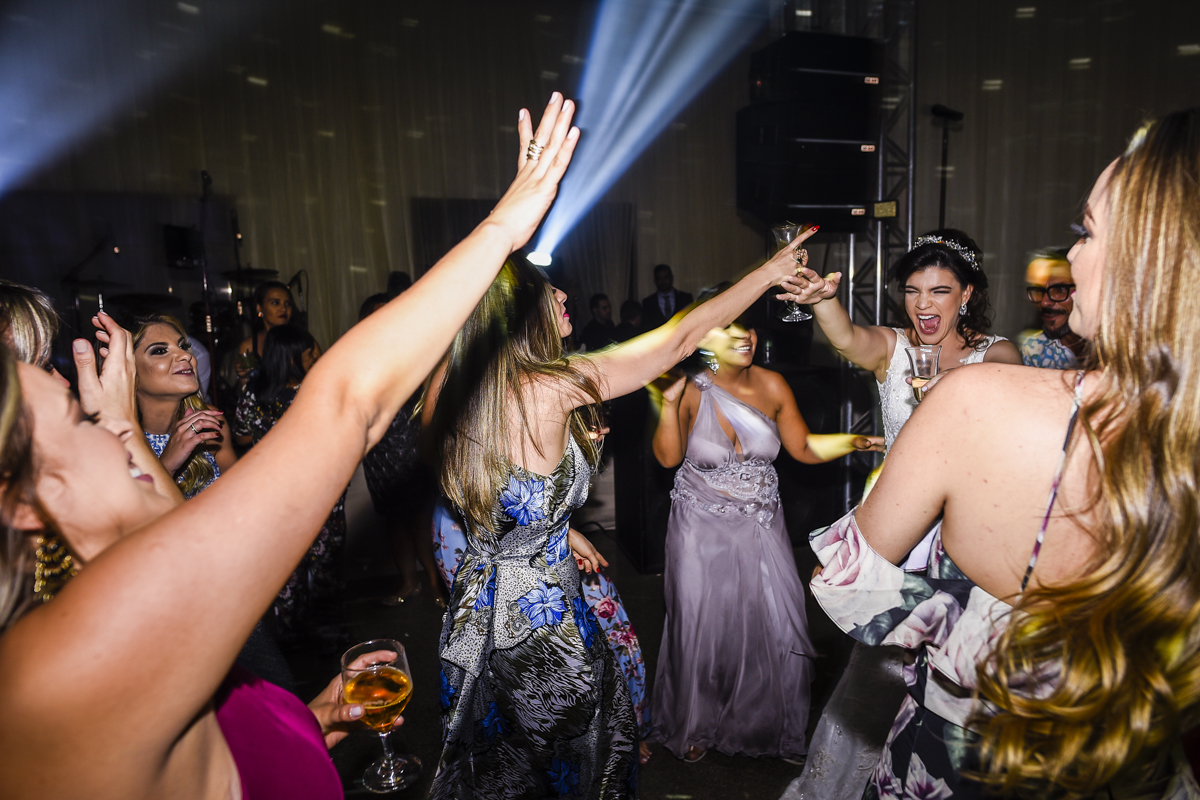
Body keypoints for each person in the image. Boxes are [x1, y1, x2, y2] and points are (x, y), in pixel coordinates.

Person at [0, 92, 581, 800]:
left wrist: (311, 720)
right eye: (77, 414)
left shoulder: (93, 610)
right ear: (23, 499)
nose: (109, 420)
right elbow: (347, 404)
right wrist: (501, 228)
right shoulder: (60, 660)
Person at [796, 109, 1200, 797]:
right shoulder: (908, 350)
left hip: (975, 748)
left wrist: (968, 643)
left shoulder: (988, 386)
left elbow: (842, 574)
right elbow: (850, 339)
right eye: (914, 290)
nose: (1069, 258)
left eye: (1087, 231)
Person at [424, 222, 813, 794]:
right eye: (544, 290)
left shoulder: (448, 383)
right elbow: (680, 340)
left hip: (475, 608)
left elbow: (487, 490)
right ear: (510, 314)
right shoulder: (551, 388)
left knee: (500, 763)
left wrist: (547, 529)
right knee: (577, 761)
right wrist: (770, 272)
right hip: (539, 625)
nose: (561, 295)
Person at [775, 229, 1021, 800]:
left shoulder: (999, 355)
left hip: (966, 537)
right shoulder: (893, 347)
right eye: (912, 291)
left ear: (967, 295)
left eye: (939, 290)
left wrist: (951, 390)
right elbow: (847, 338)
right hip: (900, 529)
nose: (923, 304)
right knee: (879, 666)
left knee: (946, 673)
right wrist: (822, 302)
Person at [649, 305, 881, 764]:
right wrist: (669, 402)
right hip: (699, 526)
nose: (745, 336)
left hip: (760, 525)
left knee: (772, 621)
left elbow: (803, 447)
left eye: (749, 326)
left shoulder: (773, 385)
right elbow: (667, 459)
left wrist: (851, 442)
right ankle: (695, 722)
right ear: (704, 337)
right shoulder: (692, 388)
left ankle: (770, 724)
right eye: (729, 327)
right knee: (701, 622)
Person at [234, 324, 345, 633]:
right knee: (324, 571)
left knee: (285, 575)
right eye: (311, 353)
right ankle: (327, 638)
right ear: (292, 358)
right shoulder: (319, 391)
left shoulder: (252, 392)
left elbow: (241, 439)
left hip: (275, 500)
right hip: (322, 498)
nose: (319, 356)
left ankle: (291, 639)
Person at [357, 292, 448, 607]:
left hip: (413, 443)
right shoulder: (359, 357)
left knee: (422, 518)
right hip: (380, 450)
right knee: (394, 520)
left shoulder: (418, 350)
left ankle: (438, 585)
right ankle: (409, 583)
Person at [134, 313, 238, 499]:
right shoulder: (119, 443)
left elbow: (240, 496)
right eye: (159, 351)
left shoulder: (209, 422)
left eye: (184, 346)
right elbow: (131, 525)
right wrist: (167, 465)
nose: (185, 355)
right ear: (129, 372)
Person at [1019, 248, 1088, 369]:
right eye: (1040, 291)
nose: (1044, 302)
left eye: (1060, 290)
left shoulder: (1117, 347)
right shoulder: (1034, 351)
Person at [641, 263, 693, 330]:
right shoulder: (648, 303)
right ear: (655, 280)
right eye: (659, 278)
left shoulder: (685, 298)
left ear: (672, 278)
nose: (663, 281)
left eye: (666, 278)